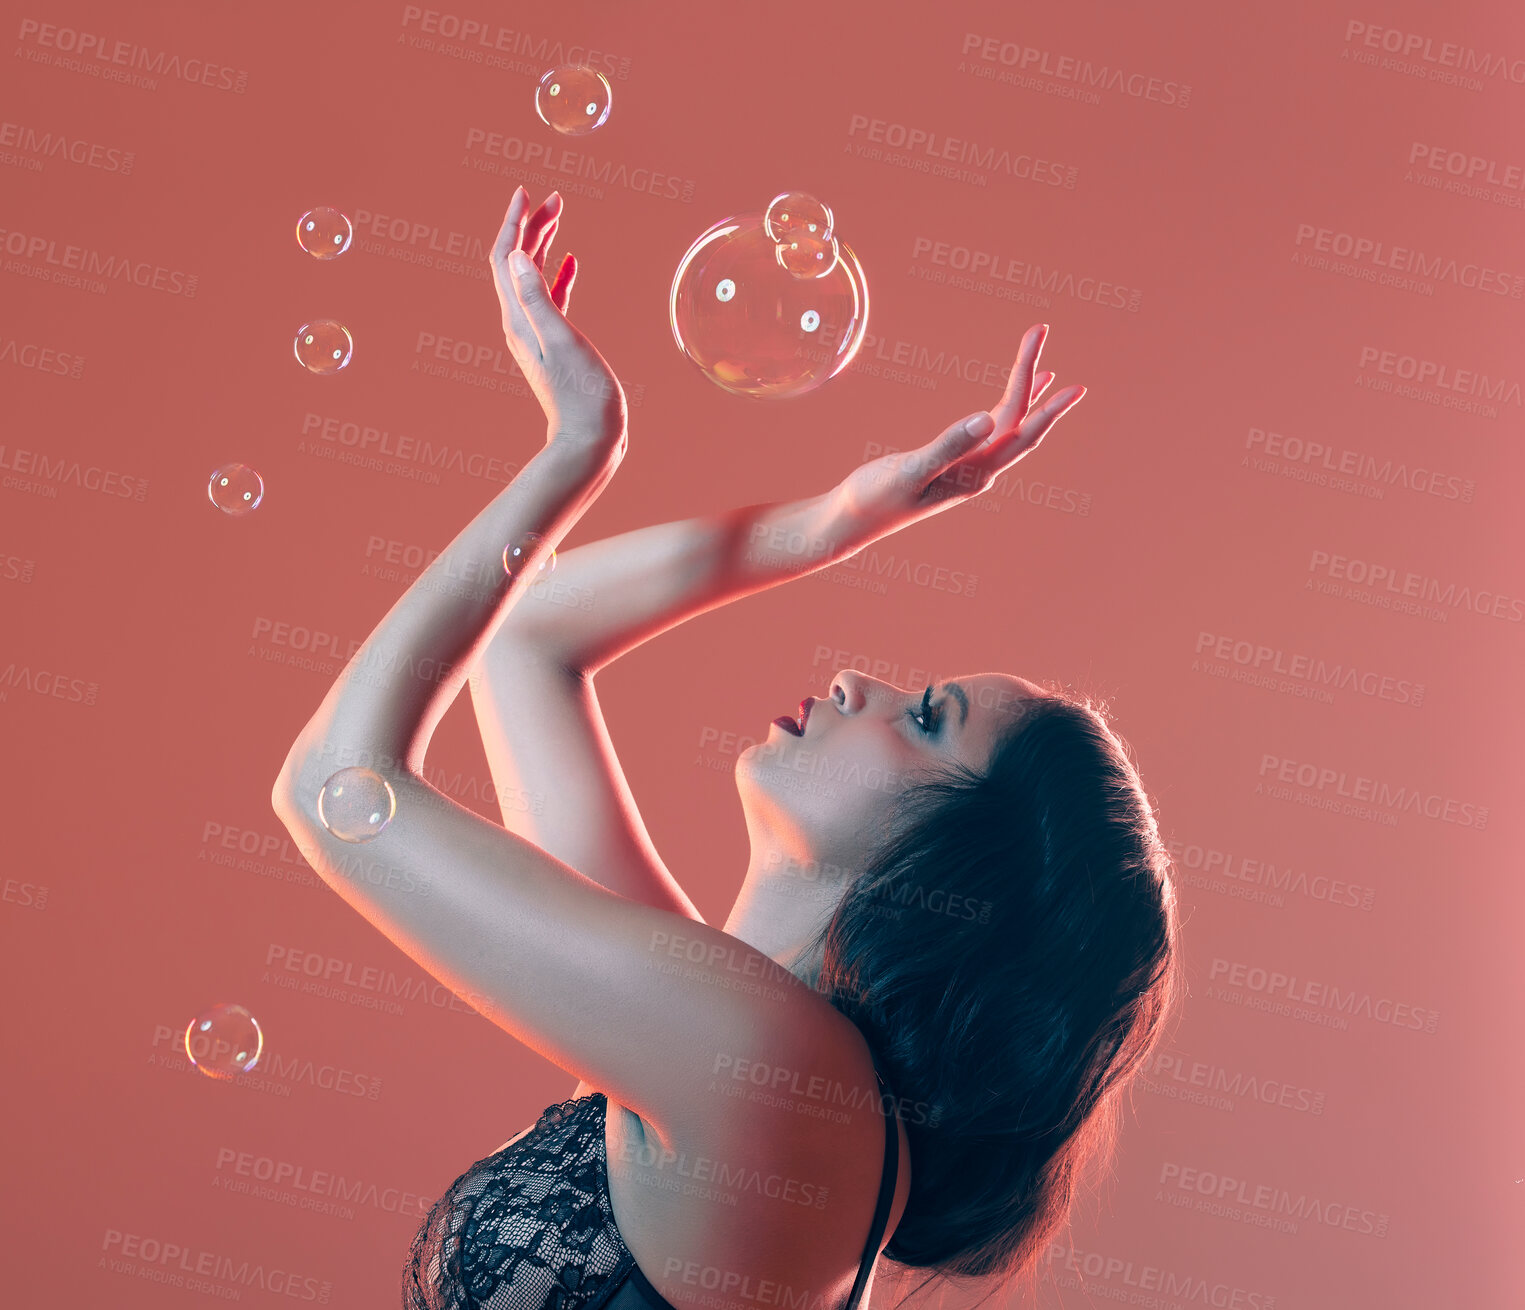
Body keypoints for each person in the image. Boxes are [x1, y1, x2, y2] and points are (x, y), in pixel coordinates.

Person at [270, 187, 1183, 1310]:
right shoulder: (756, 1048)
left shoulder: (774, 1069)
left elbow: (333, 791)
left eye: (926, 716)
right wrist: (832, 519)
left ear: (959, 866)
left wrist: (577, 454)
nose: (860, 681)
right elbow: (527, 645)